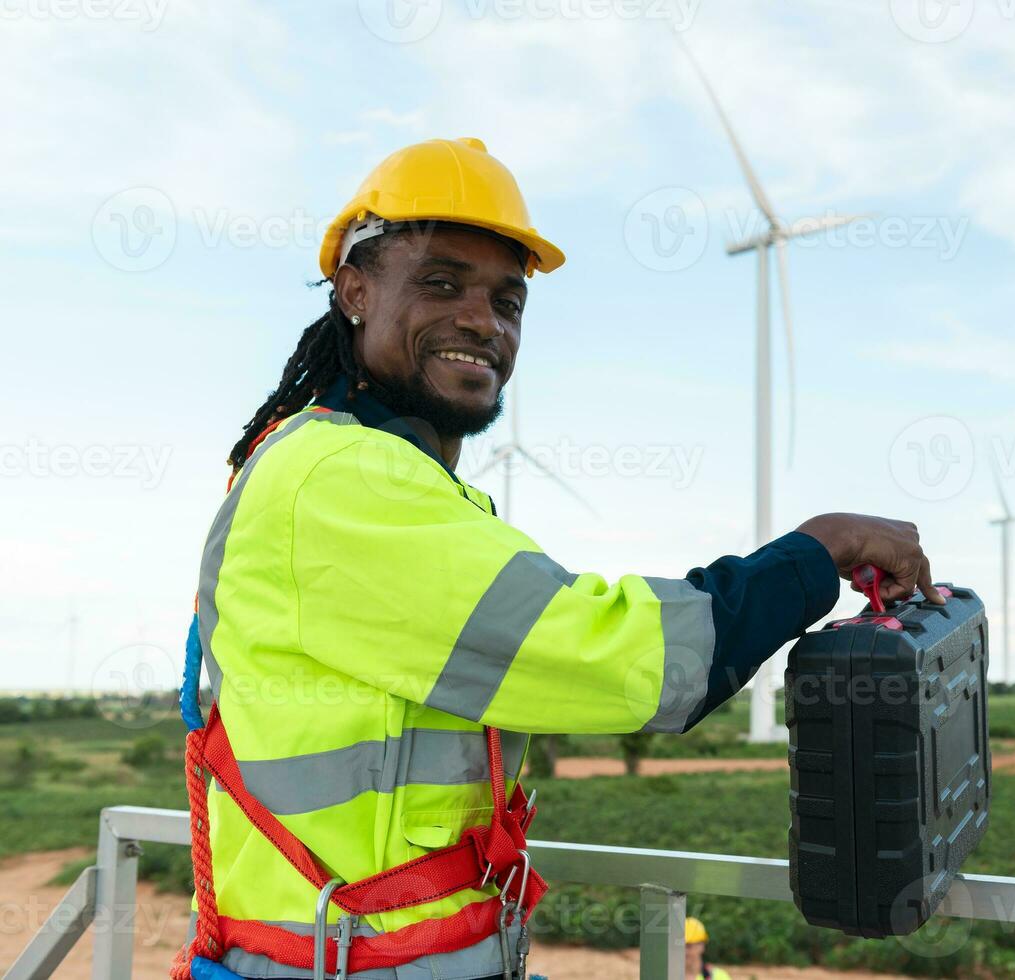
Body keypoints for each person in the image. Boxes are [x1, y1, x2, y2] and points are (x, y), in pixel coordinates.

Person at [171, 136, 942, 980]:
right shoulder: (340, 479)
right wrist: (814, 552)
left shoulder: (371, 476)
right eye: (440, 282)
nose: (482, 319)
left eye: (508, 299)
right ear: (354, 289)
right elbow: (613, 657)